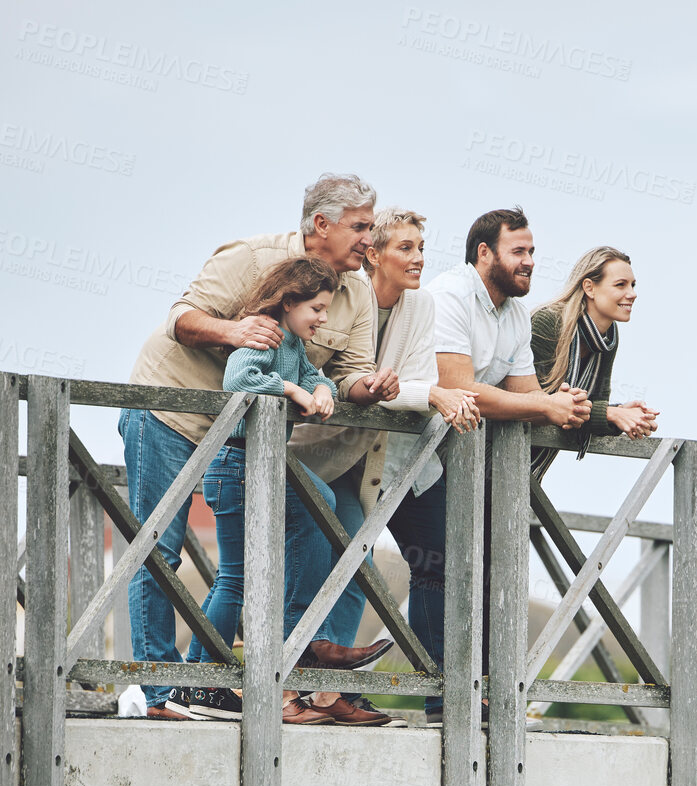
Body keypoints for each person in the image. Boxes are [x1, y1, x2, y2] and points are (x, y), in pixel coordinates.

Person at [122, 173, 392, 719]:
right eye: (361, 227)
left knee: (313, 515)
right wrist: (235, 332)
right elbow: (181, 318)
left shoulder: (357, 290)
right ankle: (158, 695)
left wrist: (367, 388)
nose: (371, 239)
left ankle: (285, 654)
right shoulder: (251, 259)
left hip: (247, 439)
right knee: (160, 552)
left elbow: (350, 373)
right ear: (322, 224)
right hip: (173, 413)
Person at [287, 208, 481, 724]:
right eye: (406, 248)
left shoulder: (419, 305)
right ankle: (285, 684)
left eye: (422, 247)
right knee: (293, 566)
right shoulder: (348, 296)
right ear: (374, 254)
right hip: (309, 450)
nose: (419, 258)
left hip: (368, 458)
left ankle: (329, 693)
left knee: (358, 563)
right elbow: (366, 380)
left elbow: (410, 383)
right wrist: (427, 392)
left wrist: (421, 392)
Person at [414, 207, 591, 717]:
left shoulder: (512, 314)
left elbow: (527, 394)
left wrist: (581, 408)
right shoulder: (449, 295)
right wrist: (546, 404)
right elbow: (459, 388)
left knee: (478, 569)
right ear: (484, 252)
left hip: (457, 465)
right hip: (409, 454)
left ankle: (475, 694)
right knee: (434, 569)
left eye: (532, 252)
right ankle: (443, 699)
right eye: (519, 251)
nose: (530, 261)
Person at [167, 258, 345, 720]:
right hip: (234, 465)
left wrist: (323, 389)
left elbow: (314, 376)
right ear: (289, 303)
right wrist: (290, 389)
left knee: (310, 514)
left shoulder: (295, 344)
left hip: (257, 467)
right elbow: (238, 379)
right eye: (317, 309)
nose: (323, 319)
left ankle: (202, 682)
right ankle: (200, 683)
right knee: (236, 579)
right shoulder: (267, 331)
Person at [529, 247, 659, 478]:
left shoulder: (608, 338)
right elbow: (538, 406)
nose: (632, 293)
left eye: (633, 285)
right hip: (490, 455)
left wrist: (620, 414)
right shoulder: (549, 322)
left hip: (530, 471)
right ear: (589, 287)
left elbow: (592, 408)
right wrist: (611, 414)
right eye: (621, 285)